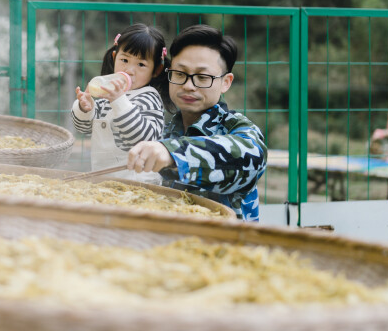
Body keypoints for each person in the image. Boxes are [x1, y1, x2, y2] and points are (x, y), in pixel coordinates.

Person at [125, 24, 268, 221]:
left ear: (226, 82)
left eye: (202, 77)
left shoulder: (237, 129)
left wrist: (172, 154)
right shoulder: (161, 132)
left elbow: (250, 156)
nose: (188, 85)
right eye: (180, 74)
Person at [71, 24, 168, 184]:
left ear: (156, 70)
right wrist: (85, 108)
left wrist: (118, 101)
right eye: (124, 60)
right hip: (103, 180)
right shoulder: (105, 95)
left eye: (141, 65)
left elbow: (140, 139)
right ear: (114, 57)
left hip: (140, 182)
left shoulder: (149, 98)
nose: (129, 70)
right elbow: (83, 128)